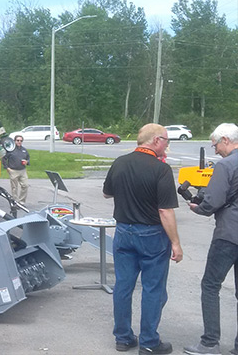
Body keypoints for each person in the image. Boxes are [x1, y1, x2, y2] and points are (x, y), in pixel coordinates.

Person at [103, 123, 182, 355]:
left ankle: (123, 337)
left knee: (123, 286)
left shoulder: (120, 162)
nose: (167, 145)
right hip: (151, 236)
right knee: (153, 289)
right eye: (167, 140)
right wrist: (176, 243)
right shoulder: (161, 170)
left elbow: (107, 192)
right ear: (156, 140)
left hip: (124, 232)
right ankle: (149, 341)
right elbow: (165, 211)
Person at [184, 123, 238, 355]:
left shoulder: (226, 165)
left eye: (215, 145)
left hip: (229, 234)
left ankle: (209, 342)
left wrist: (197, 207)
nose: (215, 150)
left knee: (210, 285)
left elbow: (212, 202)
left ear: (226, 140)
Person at [4, 134, 29, 203]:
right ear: (14, 141)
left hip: (22, 170)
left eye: (21, 141)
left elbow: (28, 158)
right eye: (17, 140)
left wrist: (27, 162)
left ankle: (21, 202)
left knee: (25, 185)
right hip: (13, 170)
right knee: (14, 188)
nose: (19, 142)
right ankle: (15, 201)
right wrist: (7, 168)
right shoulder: (10, 149)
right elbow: (4, 159)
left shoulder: (24, 150)